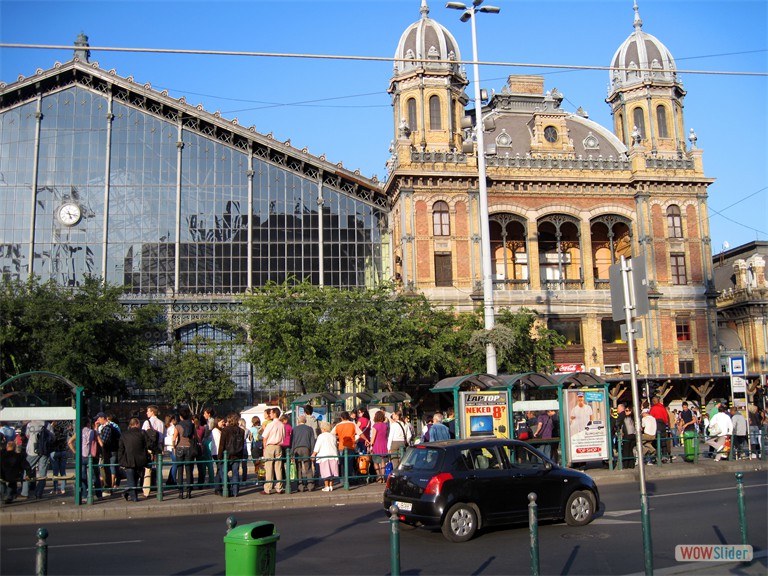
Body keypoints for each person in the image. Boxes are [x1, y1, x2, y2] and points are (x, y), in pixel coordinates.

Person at [68, 416, 102, 502]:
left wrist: (75, 452)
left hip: (82, 456)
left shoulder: (79, 432)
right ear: (88, 423)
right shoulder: (92, 432)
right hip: (92, 456)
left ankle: (84, 495)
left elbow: (69, 442)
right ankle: (99, 494)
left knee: (83, 476)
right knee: (95, 476)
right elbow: (100, 443)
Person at [118, 418, 148, 502]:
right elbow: (146, 445)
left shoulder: (124, 434)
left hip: (128, 460)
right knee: (135, 479)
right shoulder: (142, 433)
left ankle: (131, 495)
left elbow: (121, 449)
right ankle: (133, 496)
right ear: (137, 424)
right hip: (140, 460)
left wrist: (120, 460)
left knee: (131, 479)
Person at [21, 420, 51, 500]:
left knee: (27, 470)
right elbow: (52, 437)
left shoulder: (30, 424)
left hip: (32, 450)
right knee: (42, 473)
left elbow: (27, 435)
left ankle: (25, 492)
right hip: (44, 451)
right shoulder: (47, 424)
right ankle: (38, 493)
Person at [173, 406, 196, 499]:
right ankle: (189, 492)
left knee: (180, 470)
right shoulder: (191, 424)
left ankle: (180, 492)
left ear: (181, 416)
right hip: (189, 448)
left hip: (179, 448)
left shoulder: (178, 426)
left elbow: (174, 438)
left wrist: (174, 447)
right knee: (188, 470)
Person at [218, 413, 244, 497]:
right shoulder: (241, 431)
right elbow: (242, 444)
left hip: (227, 455)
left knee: (223, 472)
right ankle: (235, 492)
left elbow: (222, 444)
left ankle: (227, 488)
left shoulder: (225, 430)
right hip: (236, 454)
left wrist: (219, 456)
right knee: (235, 473)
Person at [261, 408, 286, 495]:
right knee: (278, 467)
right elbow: (284, 436)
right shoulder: (282, 425)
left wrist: (264, 448)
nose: (269, 414)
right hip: (279, 446)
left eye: (271, 413)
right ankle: (279, 487)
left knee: (269, 468)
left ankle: (268, 488)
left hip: (270, 446)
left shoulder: (270, 425)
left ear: (274, 414)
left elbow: (264, 437)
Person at [141, 405, 165, 496]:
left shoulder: (146, 423)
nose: (146, 413)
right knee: (159, 468)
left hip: (149, 448)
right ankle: (160, 489)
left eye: (148, 411)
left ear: (152, 412)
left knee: (148, 469)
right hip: (158, 447)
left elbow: (143, 436)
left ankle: (146, 491)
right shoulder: (161, 423)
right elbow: (162, 437)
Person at [1, 439, 33, 504]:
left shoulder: (2, 455)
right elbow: (27, 466)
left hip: (2, 475)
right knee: (12, 484)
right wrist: (28, 474)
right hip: (14, 476)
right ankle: (8, 496)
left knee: (1, 484)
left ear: (7, 447)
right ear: (15, 448)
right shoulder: (19, 456)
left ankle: (5, 496)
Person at [312, 421, 339, 492]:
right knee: (331, 472)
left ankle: (326, 486)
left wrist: (313, 454)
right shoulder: (333, 436)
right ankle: (330, 485)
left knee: (325, 472)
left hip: (324, 456)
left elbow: (317, 447)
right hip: (333, 455)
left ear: (323, 429)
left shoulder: (321, 436)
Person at [291, 415, 316, 492]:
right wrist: (312, 452)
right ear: (305, 421)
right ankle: (310, 485)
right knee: (308, 467)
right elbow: (312, 441)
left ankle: (300, 485)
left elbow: (292, 442)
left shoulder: (294, 429)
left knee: (298, 468)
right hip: (306, 449)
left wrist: (291, 453)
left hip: (297, 449)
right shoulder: (309, 429)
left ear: (298, 421)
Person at [50, 420, 72, 495]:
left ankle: (55, 488)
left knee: (55, 472)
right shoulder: (64, 431)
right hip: (63, 451)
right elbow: (70, 435)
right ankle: (63, 489)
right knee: (63, 471)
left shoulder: (52, 431)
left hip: (55, 451)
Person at [649, 396, 673, 462]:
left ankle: (656, 456)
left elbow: (651, 417)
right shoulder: (663, 408)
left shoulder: (653, 408)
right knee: (663, 441)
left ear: (653, 401)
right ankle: (664, 456)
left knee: (655, 441)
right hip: (663, 425)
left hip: (656, 425)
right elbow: (666, 417)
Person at [369, 411, 389, 482]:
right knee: (383, 462)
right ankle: (383, 477)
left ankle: (379, 476)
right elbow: (386, 435)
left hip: (377, 445)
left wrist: (370, 444)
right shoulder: (385, 426)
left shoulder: (375, 426)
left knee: (375, 462)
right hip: (384, 444)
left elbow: (373, 437)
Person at [163, 414, 177, 485]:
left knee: (174, 463)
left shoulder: (168, 428)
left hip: (169, 447)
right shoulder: (173, 427)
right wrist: (174, 447)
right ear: (173, 420)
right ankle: (173, 480)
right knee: (175, 464)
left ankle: (170, 479)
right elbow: (174, 438)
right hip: (172, 447)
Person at [249, 416, 263, 481]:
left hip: (255, 447)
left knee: (256, 463)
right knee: (262, 463)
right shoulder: (262, 428)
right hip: (262, 447)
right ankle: (262, 476)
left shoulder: (252, 429)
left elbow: (250, 438)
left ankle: (258, 476)